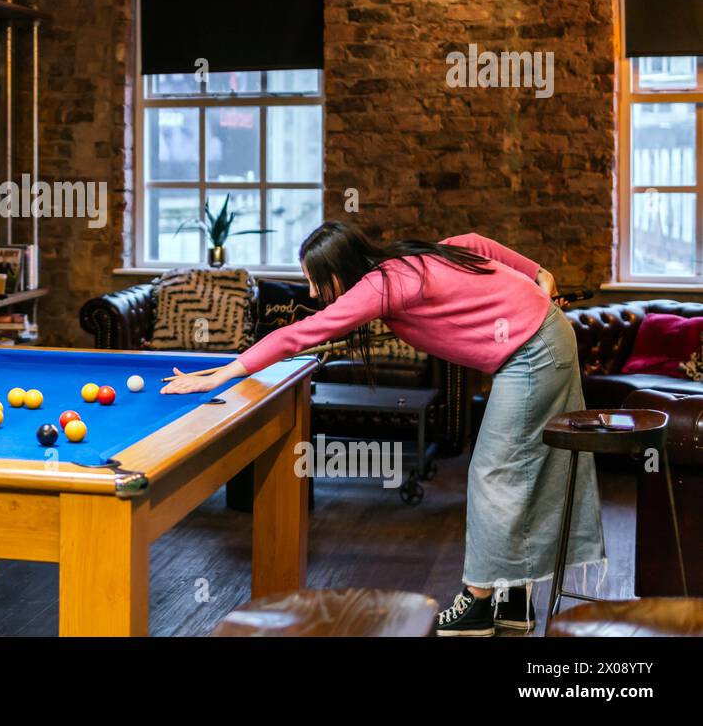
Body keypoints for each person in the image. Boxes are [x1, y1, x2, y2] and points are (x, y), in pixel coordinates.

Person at [161, 221, 605, 636]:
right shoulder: (405, 261)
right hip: (540, 341)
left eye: (317, 281)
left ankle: (477, 602)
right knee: (519, 470)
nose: (315, 292)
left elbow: (306, 331)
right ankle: (510, 600)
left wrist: (222, 374)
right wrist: (538, 274)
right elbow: (474, 242)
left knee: (494, 473)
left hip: (533, 352)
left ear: (340, 270)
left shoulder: (384, 283)